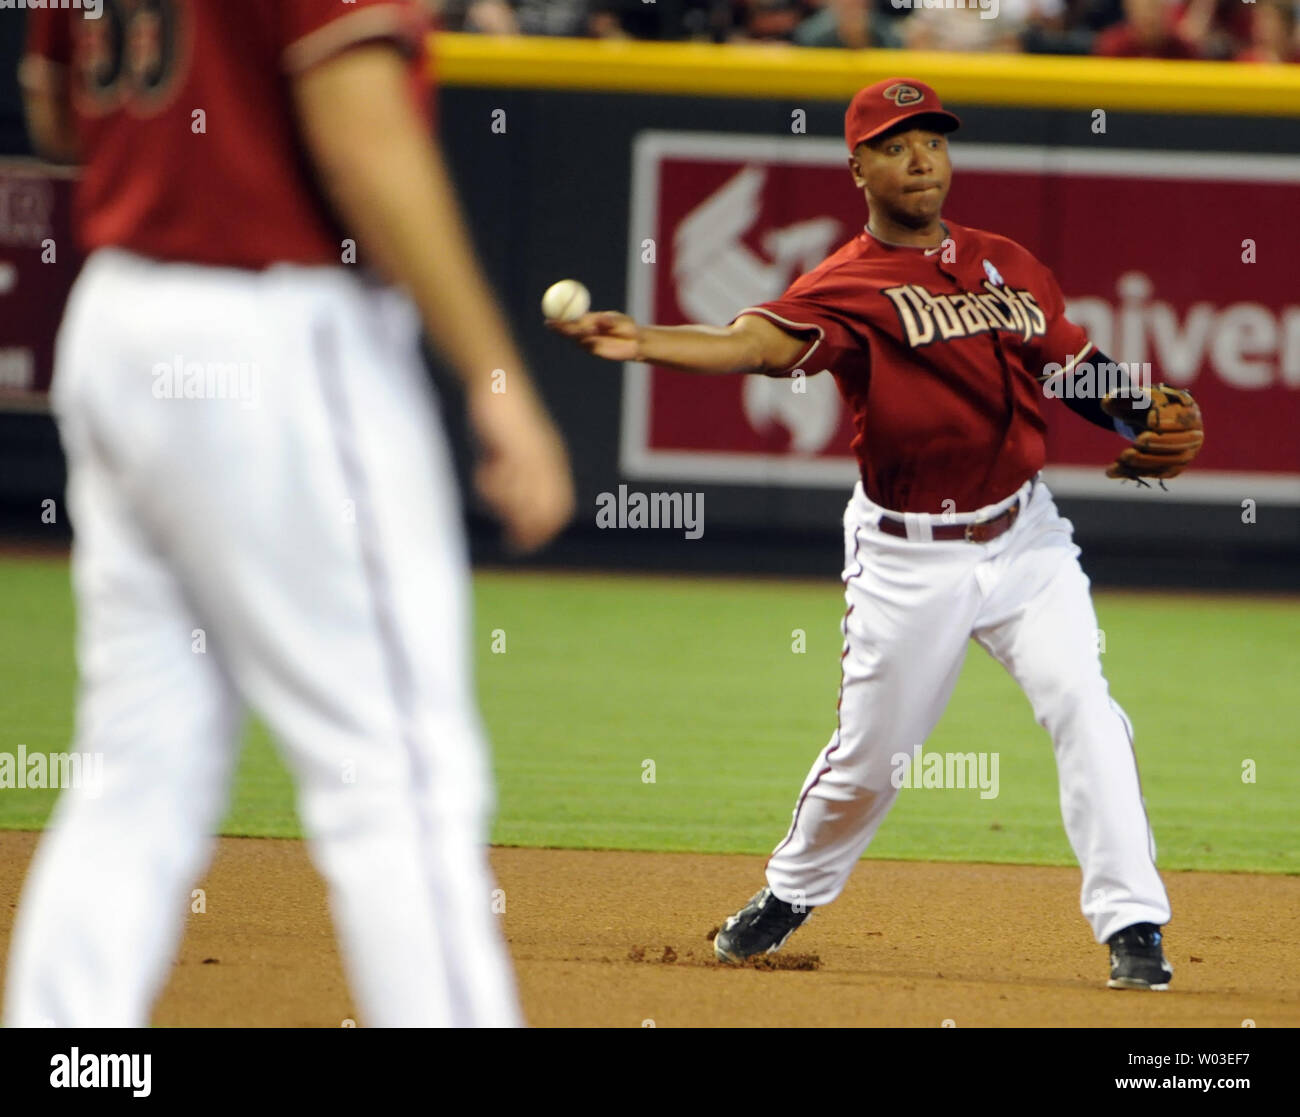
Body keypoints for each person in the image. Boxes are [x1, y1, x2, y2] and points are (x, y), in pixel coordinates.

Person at [551, 78, 1203, 990]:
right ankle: (789, 891)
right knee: (870, 759)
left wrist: (1140, 413)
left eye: (932, 138)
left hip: (1028, 539)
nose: (921, 156)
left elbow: (1075, 366)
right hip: (908, 557)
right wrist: (648, 341)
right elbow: (754, 346)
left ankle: (1134, 924)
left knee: (1085, 706)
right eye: (896, 143)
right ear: (857, 165)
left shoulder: (1007, 261)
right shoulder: (847, 284)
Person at [6, 0, 573, 1027]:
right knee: (397, 772)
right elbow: (360, 137)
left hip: (121, 315)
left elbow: (52, 109)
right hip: (273, 333)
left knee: (139, 763)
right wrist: (495, 377)